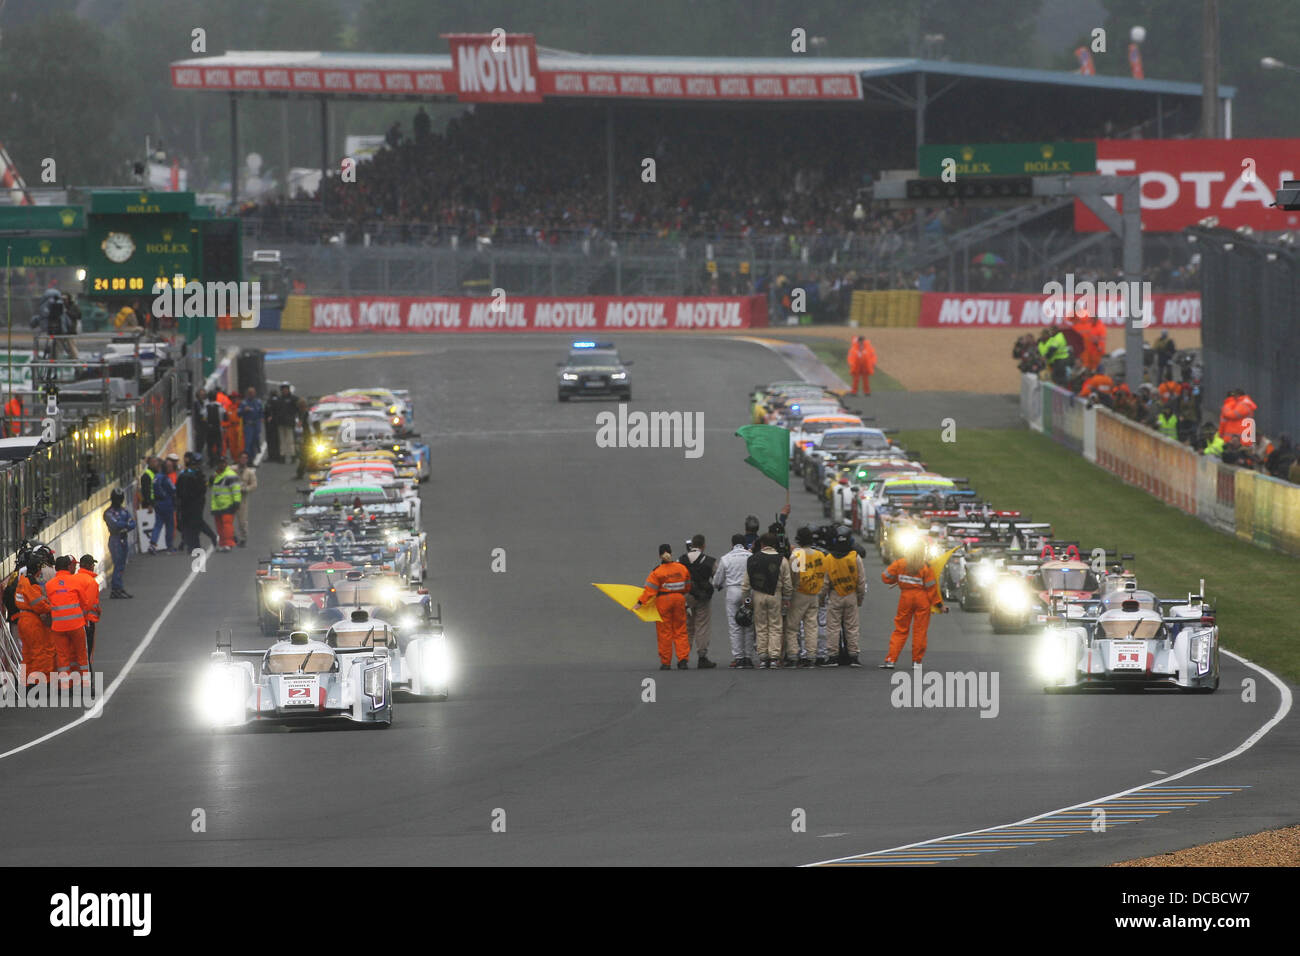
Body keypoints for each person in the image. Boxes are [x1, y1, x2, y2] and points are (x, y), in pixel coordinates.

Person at [880, 543, 945, 668]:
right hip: (922, 600)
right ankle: (917, 661)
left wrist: (897, 580)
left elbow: (885, 577)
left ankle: (891, 660)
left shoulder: (900, 563)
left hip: (905, 598)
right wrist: (939, 605)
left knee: (900, 629)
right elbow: (931, 589)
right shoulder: (926, 567)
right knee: (920, 631)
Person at [634, 544, 692, 670]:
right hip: (679, 599)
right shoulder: (682, 568)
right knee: (680, 630)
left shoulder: (657, 572)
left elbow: (649, 591)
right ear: (671, 553)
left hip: (663, 601)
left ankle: (666, 662)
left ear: (660, 555)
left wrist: (639, 603)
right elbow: (688, 586)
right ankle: (683, 660)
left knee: (664, 632)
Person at [741, 533, 792, 669]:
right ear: (775, 545)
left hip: (758, 595)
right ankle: (774, 657)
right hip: (776, 594)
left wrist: (746, 599)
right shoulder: (782, 560)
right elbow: (787, 583)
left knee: (761, 625)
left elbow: (746, 583)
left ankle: (763, 657)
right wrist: (787, 598)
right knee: (775, 625)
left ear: (762, 544)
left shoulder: (753, 559)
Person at [45, 555, 90, 691]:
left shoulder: (49, 585)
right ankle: (85, 685)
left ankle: (65, 686)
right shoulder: (76, 581)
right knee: (81, 655)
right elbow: (85, 603)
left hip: (58, 627)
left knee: (62, 658)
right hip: (76, 625)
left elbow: (49, 603)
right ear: (68, 567)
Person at [784, 526, 827, 667]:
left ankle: (793, 654)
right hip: (814, 593)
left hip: (799, 593)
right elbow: (824, 575)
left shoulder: (797, 556)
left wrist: (788, 594)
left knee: (792, 627)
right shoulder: (819, 555)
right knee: (811, 626)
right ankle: (811, 655)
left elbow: (793, 576)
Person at [822, 527, 866, 667]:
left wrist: (822, 597)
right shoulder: (855, 557)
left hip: (835, 595)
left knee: (833, 627)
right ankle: (853, 656)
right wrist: (860, 597)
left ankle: (833, 656)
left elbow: (825, 582)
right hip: (851, 594)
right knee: (852, 627)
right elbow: (861, 580)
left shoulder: (829, 558)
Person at [10, 550, 54, 686]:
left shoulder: (22, 581)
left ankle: (27, 682)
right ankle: (41, 682)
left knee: (28, 653)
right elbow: (39, 604)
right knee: (39, 652)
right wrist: (51, 607)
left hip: (23, 619)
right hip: (31, 620)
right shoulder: (31, 584)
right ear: (37, 569)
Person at [712, 533, 756, 668]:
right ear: (744, 544)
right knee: (748, 623)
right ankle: (748, 657)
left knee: (734, 625)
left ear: (732, 544)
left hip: (732, 591)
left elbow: (717, 580)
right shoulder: (750, 556)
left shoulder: (726, 558)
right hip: (747, 592)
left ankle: (738, 658)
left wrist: (718, 585)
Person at [678, 534, 717, 669]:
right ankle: (702, 656)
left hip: (686, 596)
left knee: (687, 627)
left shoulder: (681, 560)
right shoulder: (709, 561)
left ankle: (683, 657)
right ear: (703, 545)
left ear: (692, 545)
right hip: (703, 597)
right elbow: (717, 578)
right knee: (702, 625)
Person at [178, 452, 218, 553]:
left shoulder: (195, 475)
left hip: (195, 503)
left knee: (194, 524)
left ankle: (194, 545)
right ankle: (191, 544)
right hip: (187, 503)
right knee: (189, 524)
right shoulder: (187, 475)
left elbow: (201, 489)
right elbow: (179, 490)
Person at [103, 488, 136, 598]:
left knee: (121, 565)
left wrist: (124, 525)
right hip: (115, 539)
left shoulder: (124, 511)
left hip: (123, 538)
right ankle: (116, 588)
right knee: (118, 564)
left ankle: (119, 587)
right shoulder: (108, 512)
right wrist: (125, 524)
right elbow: (115, 525)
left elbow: (132, 523)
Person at [209, 455, 242, 551]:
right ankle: (223, 543)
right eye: (220, 463)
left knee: (227, 525)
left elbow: (236, 489)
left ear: (226, 463)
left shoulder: (230, 475)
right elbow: (212, 487)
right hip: (217, 506)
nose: (221, 464)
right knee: (219, 527)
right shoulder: (216, 475)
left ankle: (228, 543)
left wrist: (236, 502)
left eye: (223, 463)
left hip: (228, 505)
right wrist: (209, 481)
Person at [73, 555, 101, 662]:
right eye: (93, 564)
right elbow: (88, 604)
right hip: (87, 620)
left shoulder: (74, 578)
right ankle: (88, 675)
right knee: (87, 651)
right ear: (89, 566)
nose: (93, 566)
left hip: (76, 620)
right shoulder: (91, 581)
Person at [148, 457, 178, 553]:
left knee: (158, 525)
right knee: (170, 525)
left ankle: (153, 544)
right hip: (167, 503)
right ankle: (169, 546)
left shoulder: (156, 477)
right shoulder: (165, 478)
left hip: (158, 503)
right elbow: (173, 489)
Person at [234, 450, 258, 547]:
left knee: (242, 520)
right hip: (230, 497)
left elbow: (254, 484)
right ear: (238, 459)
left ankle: (243, 538)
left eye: (245, 458)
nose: (243, 460)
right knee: (228, 519)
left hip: (242, 498)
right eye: (242, 458)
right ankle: (232, 537)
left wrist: (246, 489)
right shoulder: (232, 469)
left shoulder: (249, 472)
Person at [238, 387, 264, 460]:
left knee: (255, 442)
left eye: (253, 392)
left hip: (256, 425)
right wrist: (244, 410)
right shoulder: (244, 403)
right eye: (250, 393)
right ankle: (247, 460)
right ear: (247, 394)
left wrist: (262, 418)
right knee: (248, 443)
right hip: (248, 425)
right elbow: (239, 414)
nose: (251, 394)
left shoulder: (258, 402)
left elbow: (261, 412)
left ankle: (253, 458)